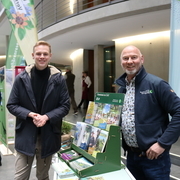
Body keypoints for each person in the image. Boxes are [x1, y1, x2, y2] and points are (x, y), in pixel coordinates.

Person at [6, 41, 70, 180]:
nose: (42, 56)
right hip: (26, 135)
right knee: (20, 177)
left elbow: (65, 106)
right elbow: (12, 104)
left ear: (50, 56)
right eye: (39, 54)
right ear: (33, 55)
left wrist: (46, 117)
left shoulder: (59, 79)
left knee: (43, 176)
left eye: (45, 54)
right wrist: (29, 114)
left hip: (48, 136)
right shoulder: (21, 79)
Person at [115, 45, 180, 180]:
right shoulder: (122, 90)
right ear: (121, 62)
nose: (130, 61)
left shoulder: (156, 84)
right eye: (125, 58)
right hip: (132, 157)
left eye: (134, 57)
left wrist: (162, 143)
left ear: (142, 59)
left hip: (155, 158)